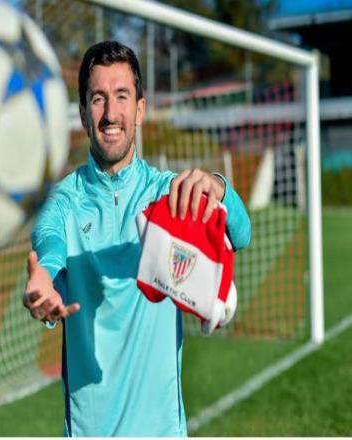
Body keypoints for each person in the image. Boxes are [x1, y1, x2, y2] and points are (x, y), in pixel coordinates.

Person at [23, 40, 251, 437]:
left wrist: (217, 187)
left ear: (140, 110)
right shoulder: (62, 202)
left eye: (122, 96)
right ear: (83, 114)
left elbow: (241, 233)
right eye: (98, 99)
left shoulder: (169, 194)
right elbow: (49, 243)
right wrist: (44, 279)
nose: (111, 114)